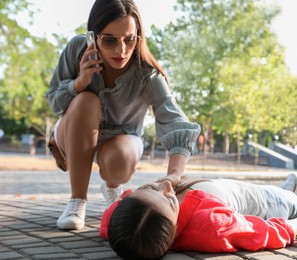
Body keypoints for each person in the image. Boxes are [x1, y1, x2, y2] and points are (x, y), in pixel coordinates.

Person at [45, 0, 200, 231]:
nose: (121, 50)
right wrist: (79, 83)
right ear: (93, 36)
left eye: (130, 39)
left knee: (121, 157)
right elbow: (54, 103)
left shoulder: (146, 74)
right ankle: (77, 201)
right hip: (73, 133)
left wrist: (173, 177)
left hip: (120, 142)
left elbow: (175, 121)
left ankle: (112, 185)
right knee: (87, 100)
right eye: (109, 40)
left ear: (139, 37)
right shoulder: (77, 48)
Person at [100, 174, 297, 259]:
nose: (165, 188)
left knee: (282, 193)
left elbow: (109, 220)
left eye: (149, 191)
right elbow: (264, 232)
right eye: (170, 201)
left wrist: (157, 186)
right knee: (294, 205)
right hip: (264, 202)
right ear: (172, 231)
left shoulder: (120, 224)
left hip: (228, 185)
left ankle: (286, 187)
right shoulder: (212, 228)